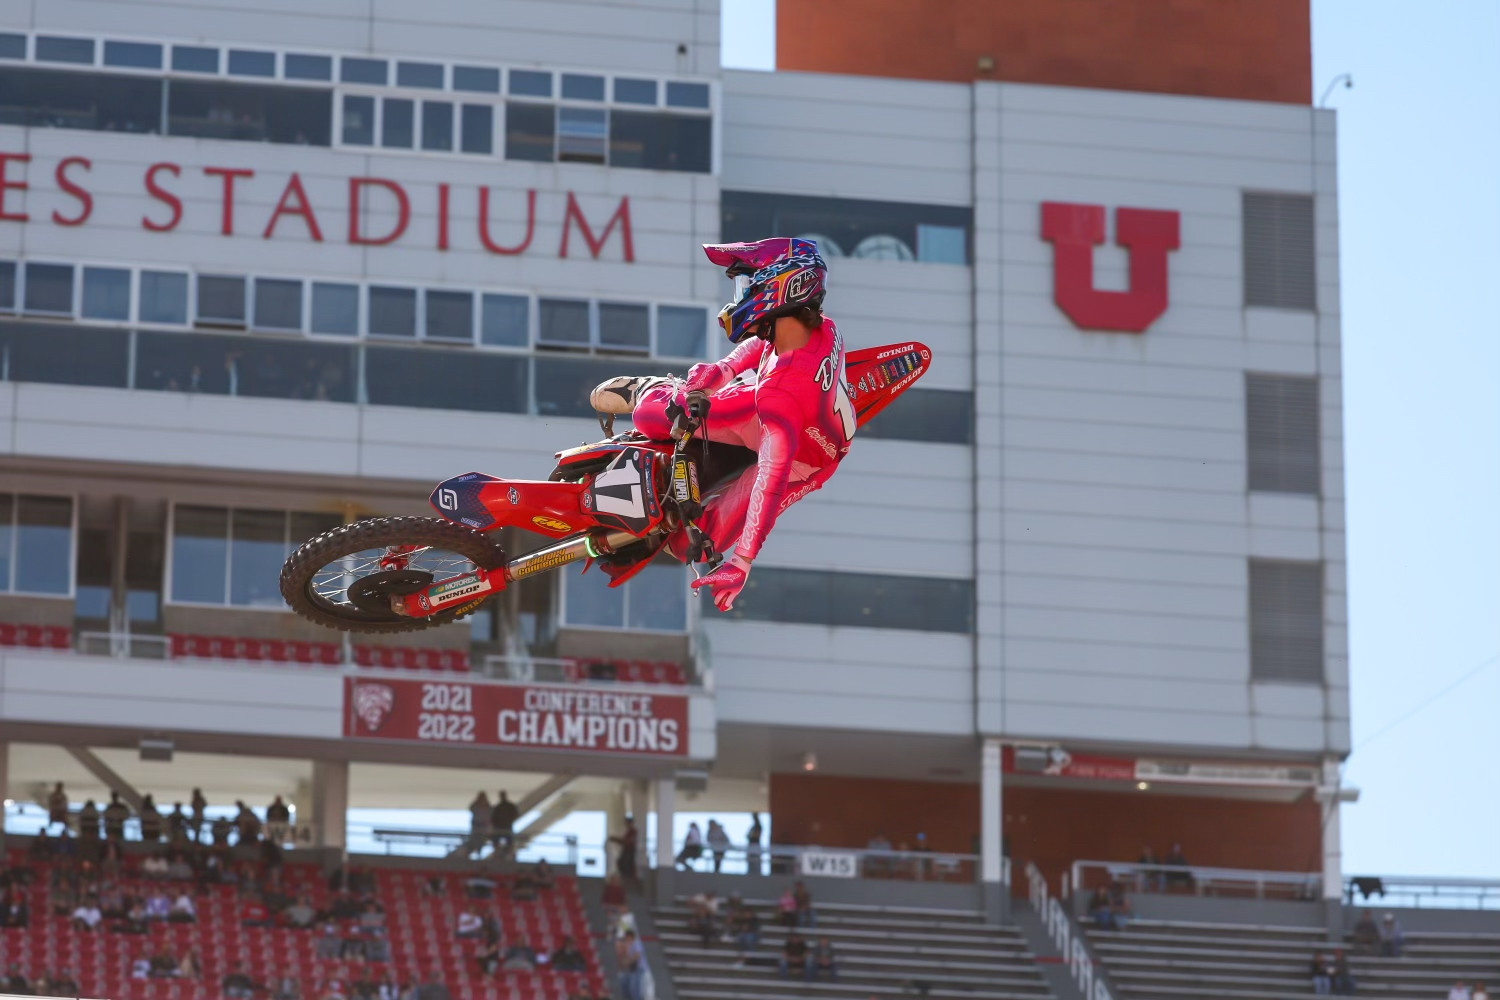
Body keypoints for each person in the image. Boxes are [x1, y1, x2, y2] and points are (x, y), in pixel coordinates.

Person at [590, 238, 851, 609]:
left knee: (687, 546)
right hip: (818, 451)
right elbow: (766, 342)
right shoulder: (822, 327)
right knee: (650, 414)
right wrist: (721, 371)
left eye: (748, 285)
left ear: (783, 288)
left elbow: (771, 479)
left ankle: (680, 402)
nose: (740, 296)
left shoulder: (781, 394)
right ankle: (664, 389)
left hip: (787, 443)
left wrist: (741, 563)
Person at [616, 929, 645, 1000]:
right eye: (626, 937)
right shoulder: (628, 946)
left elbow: (637, 955)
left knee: (634, 987)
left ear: (632, 937)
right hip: (631, 969)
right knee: (624, 984)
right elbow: (624, 958)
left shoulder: (636, 943)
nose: (627, 939)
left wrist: (629, 961)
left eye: (628, 937)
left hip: (638, 968)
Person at [490, 791, 519, 859]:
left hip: (506, 827)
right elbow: (493, 818)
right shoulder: (498, 807)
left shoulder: (509, 806)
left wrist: (508, 821)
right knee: (496, 841)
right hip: (500, 827)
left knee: (510, 842)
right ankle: (497, 854)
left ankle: (510, 854)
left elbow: (515, 814)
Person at [467, 792, 491, 857]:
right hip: (476, 827)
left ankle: (479, 852)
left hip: (483, 828)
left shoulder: (487, 806)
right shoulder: (476, 805)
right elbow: (471, 808)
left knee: (481, 840)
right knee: (475, 840)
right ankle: (475, 851)